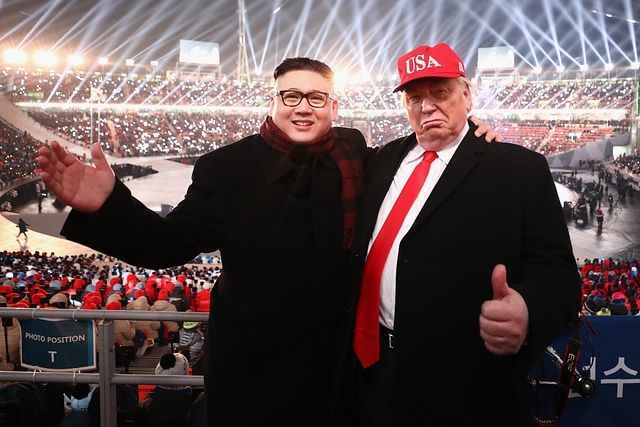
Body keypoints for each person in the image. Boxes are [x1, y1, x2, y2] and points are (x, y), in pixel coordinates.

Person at [38, 57, 497, 426]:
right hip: (256, 371)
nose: (304, 107)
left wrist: (471, 133)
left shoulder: (352, 149)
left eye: (317, 97)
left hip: (337, 365)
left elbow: (413, 148)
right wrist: (108, 203)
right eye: (291, 95)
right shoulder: (227, 168)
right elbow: (169, 245)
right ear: (272, 101)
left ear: (333, 107)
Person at [348, 43, 581, 426]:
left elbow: (559, 278)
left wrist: (528, 310)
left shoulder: (518, 171)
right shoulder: (382, 160)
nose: (427, 107)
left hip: (463, 384)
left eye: (440, 93)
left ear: (467, 94)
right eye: (414, 98)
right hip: (370, 371)